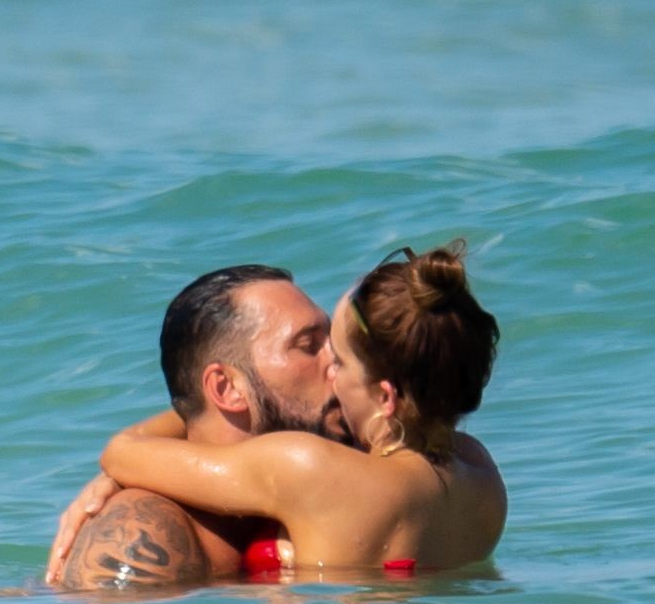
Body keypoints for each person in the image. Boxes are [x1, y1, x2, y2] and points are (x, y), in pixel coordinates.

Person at [95, 241, 504, 576]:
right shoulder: (482, 474)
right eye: (312, 346)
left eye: (340, 359)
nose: (331, 372)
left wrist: (116, 475)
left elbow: (123, 451)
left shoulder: (308, 467)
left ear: (385, 397)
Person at [46, 264, 346, 589]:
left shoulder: (339, 462)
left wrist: (131, 455)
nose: (340, 360)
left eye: (332, 340)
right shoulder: (148, 530)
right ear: (226, 388)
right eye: (308, 346)